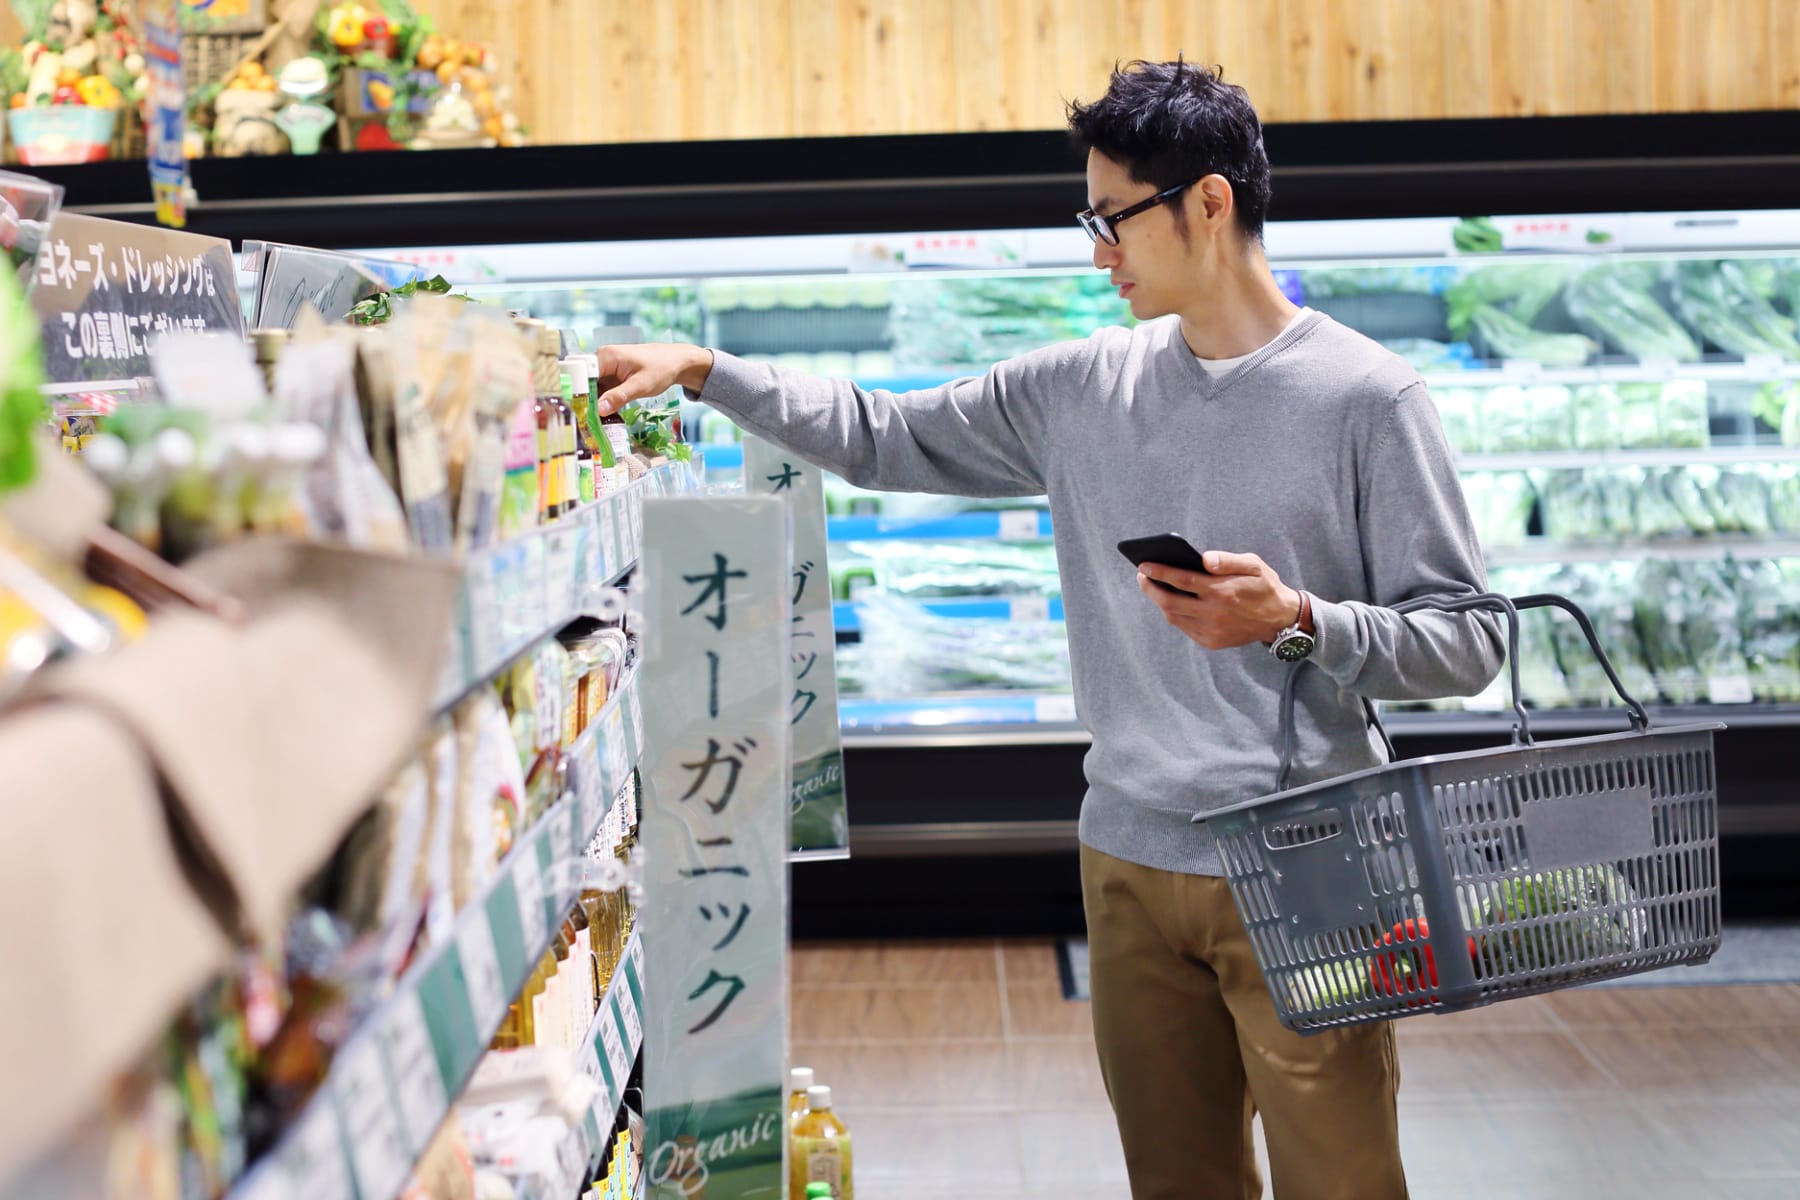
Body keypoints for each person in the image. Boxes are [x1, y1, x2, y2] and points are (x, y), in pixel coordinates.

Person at [595, 59, 1502, 1200]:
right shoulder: (1083, 389)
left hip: (1309, 862)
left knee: (1343, 1179)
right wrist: (708, 371)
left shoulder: (1369, 400)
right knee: (1175, 1180)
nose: (1096, 252)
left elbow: (1468, 640)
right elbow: (887, 433)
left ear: (1208, 204)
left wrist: (1299, 620)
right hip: (1126, 855)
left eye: (1112, 218)